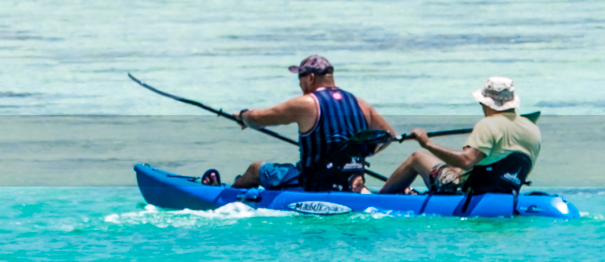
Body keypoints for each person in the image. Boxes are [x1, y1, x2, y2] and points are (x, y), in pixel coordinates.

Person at [231, 55, 397, 192]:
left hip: (311, 183)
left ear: (310, 78)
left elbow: (258, 119)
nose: (299, 84)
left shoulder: (308, 103)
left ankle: (229, 194)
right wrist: (358, 155)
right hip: (350, 182)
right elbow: (389, 135)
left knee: (256, 169)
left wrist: (242, 116)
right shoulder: (360, 104)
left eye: (300, 78)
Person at [378, 76, 540, 195]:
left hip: (467, 190)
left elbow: (467, 161)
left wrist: (427, 143)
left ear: (485, 102)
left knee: (418, 157)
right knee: (455, 165)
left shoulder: (489, 124)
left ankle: (380, 199)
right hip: (507, 191)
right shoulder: (532, 130)